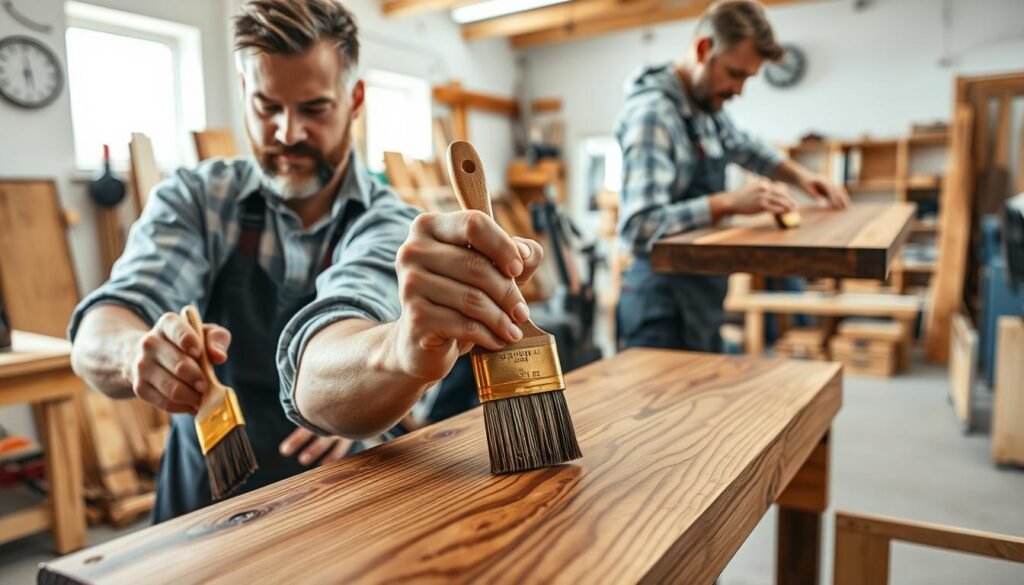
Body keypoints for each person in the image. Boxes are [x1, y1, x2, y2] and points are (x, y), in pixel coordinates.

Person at [70, 0, 542, 522]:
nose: (288, 133)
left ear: (354, 100)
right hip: (197, 507)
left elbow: (318, 377)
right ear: (244, 92)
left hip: (333, 510)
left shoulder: (390, 226)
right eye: (267, 107)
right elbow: (100, 328)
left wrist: (390, 358)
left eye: (314, 108)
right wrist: (136, 352)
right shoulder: (196, 199)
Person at [615, 0, 849, 352]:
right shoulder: (653, 115)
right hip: (660, 305)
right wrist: (727, 203)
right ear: (703, 50)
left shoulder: (705, 109)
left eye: (747, 78)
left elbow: (746, 147)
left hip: (700, 294)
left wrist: (801, 177)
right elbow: (638, 227)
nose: (739, 90)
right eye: (735, 73)